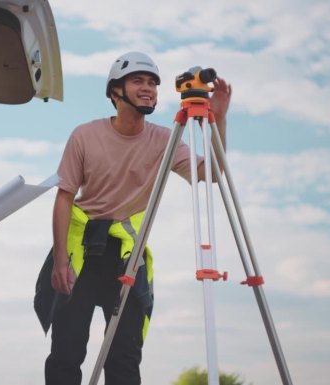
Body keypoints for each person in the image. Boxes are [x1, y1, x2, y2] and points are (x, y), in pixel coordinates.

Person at [43, 52, 232, 385]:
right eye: (138, 81)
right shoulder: (85, 135)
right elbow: (64, 196)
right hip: (81, 253)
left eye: (153, 84)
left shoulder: (164, 139)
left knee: (125, 358)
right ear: (115, 92)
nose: (148, 89)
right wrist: (60, 260)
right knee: (66, 353)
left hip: (127, 257)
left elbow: (212, 174)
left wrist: (220, 119)